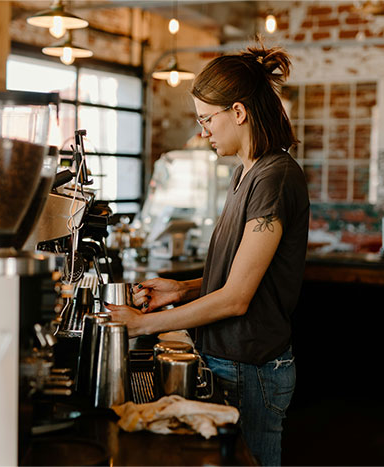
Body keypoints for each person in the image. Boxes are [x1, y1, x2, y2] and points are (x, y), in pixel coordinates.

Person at [106, 42, 309, 466]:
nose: (203, 132)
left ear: (238, 112)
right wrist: (181, 289)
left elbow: (238, 297)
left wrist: (144, 325)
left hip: (251, 369)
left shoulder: (275, 176)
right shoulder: (245, 172)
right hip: (231, 361)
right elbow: (246, 274)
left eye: (206, 119)